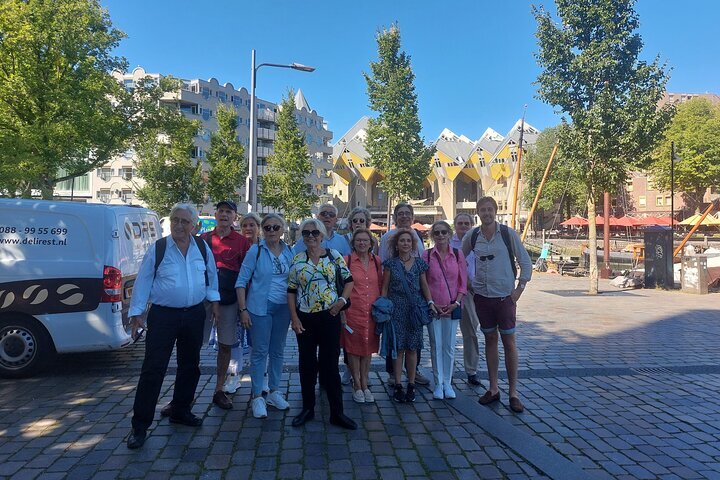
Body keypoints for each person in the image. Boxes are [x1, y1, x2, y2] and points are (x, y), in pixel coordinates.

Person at [126, 203, 219, 449]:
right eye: (175, 220)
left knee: (190, 366)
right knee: (153, 369)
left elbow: (211, 275)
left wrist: (215, 301)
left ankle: (180, 410)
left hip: (194, 314)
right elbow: (143, 280)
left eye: (184, 221)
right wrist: (137, 313)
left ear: (194, 225)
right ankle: (140, 425)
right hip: (163, 316)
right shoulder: (158, 248)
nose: (179, 225)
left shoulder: (201, 246)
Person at [462, 197, 532, 413]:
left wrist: (519, 289)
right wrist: (466, 283)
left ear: (495, 211)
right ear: (478, 213)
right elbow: (457, 260)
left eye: (490, 209)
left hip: (504, 298)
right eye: (482, 210)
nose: (486, 213)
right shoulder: (473, 236)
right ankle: (493, 388)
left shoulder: (507, 234)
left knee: (509, 342)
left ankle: (513, 393)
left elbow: (525, 262)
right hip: (482, 297)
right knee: (490, 339)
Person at [288, 218, 357, 429]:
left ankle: (337, 412)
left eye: (314, 233)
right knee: (307, 364)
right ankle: (308, 408)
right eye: (306, 233)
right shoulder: (297, 259)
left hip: (330, 315)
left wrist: (342, 301)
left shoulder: (334, 256)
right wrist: (294, 317)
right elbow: (291, 291)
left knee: (330, 366)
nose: (310, 237)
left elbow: (348, 281)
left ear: (322, 235)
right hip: (306, 317)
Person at [236, 213, 294, 418]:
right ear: (262, 230)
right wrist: (243, 310)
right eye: (267, 227)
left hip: (283, 308)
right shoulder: (256, 251)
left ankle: (274, 391)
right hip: (260, 307)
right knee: (260, 351)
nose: (271, 231)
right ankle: (257, 395)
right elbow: (241, 282)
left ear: (282, 229)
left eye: (275, 227)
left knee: (278, 350)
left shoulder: (289, 252)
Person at [198, 200, 251, 410]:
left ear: (234, 217)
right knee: (193, 343)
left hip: (229, 300)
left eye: (229, 212)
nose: (224, 215)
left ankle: (219, 389)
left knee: (226, 345)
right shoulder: (203, 240)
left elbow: (246, 275)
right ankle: (185, 390)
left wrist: (242, 305)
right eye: (221, 211)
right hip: (203, 300)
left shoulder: (241, 242)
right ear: (216, 214)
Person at [381, 228, 437, 403]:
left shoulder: (419, 263)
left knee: (412, 348)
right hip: (396, 310)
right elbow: (385, 287)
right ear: (396, 244)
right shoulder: (390, 264)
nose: (405, 243)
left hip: (414, 310)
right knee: (398, 349)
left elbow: (424, 285)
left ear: (413, 244)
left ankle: (411, 383)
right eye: (402, 241)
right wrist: (383, 307)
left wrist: (430, 302)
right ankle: (398, 384)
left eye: (408, 241)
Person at [378, 203, 429, 386]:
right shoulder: (387, 237)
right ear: (395, 217)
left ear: (412, 216)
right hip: (396, 296)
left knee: (414, 339)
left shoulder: (417, 235)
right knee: (394, 338)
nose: (405, 216)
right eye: (401, 214)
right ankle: (393, 374)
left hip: (414, 298)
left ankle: (413, 372)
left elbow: (421, 264)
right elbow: (383, 263)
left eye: (408, 213)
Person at [423, 221, 467, 399]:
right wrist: (430, 302)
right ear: (432, 236)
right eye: (437, 233)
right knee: (436, 346)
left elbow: (463, 283)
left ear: (449, 234)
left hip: (452, 306)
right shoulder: (426, 256)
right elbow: (423, 282)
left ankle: (448, 382)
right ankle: (438, 382)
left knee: (449, 346)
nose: (440, 236)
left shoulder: (457, 254)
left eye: (443, 232)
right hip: (434, 306)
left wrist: (456, 303)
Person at [222, 212, 263, 395]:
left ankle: (260, 375)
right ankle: (234, 374)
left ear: (258, 227)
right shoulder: (237, 245)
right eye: (245, 225)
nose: (248, 228)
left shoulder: (265, 246)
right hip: (237, 297)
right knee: (235, 338)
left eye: (252, 225)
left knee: (257, 339)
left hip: (258, 299)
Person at [341, 228, 381, 403]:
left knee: (368, 349)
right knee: (353, 350)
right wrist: (342, 313)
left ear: (371, 243)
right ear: (353, 243)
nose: (362, 243)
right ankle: (356, 384)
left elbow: (380, 285)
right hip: (353, 312)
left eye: (365, 240)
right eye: (359, 240)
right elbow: (340, 288)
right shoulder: (346, 261)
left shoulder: (377, 262)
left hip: (371, 313)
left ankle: (365, 382)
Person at [340, 206, 374, 386]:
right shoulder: (342, 243)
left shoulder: (373, 251)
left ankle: (363, 378)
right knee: (350, 339)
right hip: (350, 302)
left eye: (362, 221)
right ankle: (351, 372)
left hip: (367, 302)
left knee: (366, 340)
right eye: (356, 221)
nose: (359, 224)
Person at [451, 213, 483, 387]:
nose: (463, 226)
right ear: (455, 226)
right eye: (460, 223)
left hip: (479, 291)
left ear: (472, 225)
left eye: (466, 223)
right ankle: (446, 370)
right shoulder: (449, 244)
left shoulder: (479, 242)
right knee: (448, 333)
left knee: (471, 331)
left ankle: (471, 370)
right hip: (457, 293)